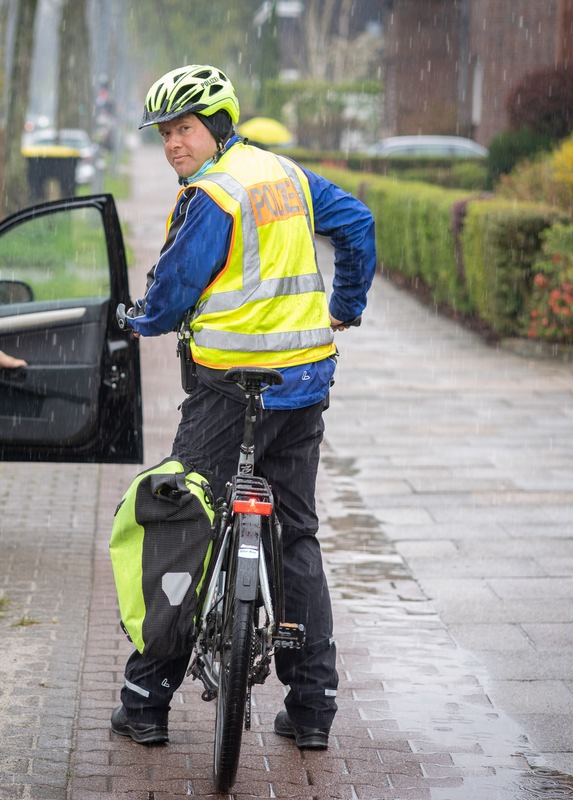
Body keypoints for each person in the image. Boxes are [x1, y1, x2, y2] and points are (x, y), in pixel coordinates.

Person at [111, 64, 375, 751]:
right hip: (303, 387)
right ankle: (313, 707)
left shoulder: (212, 194)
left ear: (218, 127)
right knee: (296, 534)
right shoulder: (286, 176)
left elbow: (172, 292)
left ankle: (145, 701)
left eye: (185, 129)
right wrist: (344, 308)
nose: (173, 144)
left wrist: (140, 320)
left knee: (183, 519)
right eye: (165, 133)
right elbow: (358, 223)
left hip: (229, 392)